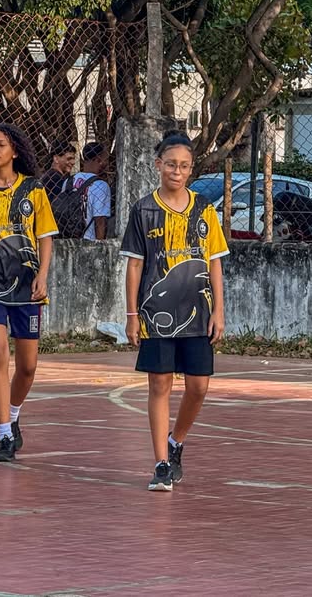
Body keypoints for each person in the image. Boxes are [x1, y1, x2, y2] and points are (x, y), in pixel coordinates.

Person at [120, 131, 228, 492]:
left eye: (183, 166)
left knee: (198, 387)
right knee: (160, 384)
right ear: (158, 165)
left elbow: (214, 264)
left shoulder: (204, 209)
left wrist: (219, 311)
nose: (176, 171)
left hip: (199, 314)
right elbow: (135, 266)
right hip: (156, 315)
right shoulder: (143, 210)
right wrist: (132, 314)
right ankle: (161, 464)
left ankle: (175, 441)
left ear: (191, 169)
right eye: (170, 164)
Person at [0, 123, 57, 462]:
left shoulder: (33, 191)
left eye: (0, 144)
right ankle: (4, 434)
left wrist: (42, 274)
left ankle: (13, 412)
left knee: (27, 367)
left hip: (26, 287)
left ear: (14, 151)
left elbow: (46, 237)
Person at [70, 141, 111, 240]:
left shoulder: (68, 181)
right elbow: (100, 220)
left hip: (68, 239)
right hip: (88, 240)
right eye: (106, 159)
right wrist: (100, 247)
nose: (107, 163)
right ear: (99, 160)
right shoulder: (101, 185)